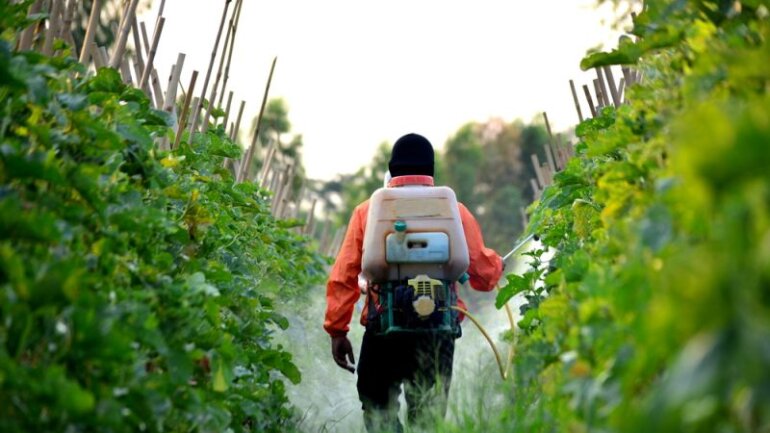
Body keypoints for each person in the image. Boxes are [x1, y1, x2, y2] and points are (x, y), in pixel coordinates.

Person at [324, 133, 503, 432]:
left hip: (383, 330)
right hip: (437, 331)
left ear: (393, 169)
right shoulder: (454, 210)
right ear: (430, 170)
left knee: (378, 410)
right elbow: (484, 276)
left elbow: (344, 276)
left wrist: (337, 330)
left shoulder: (367, 211)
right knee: (428, 418)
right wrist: (497, 266)